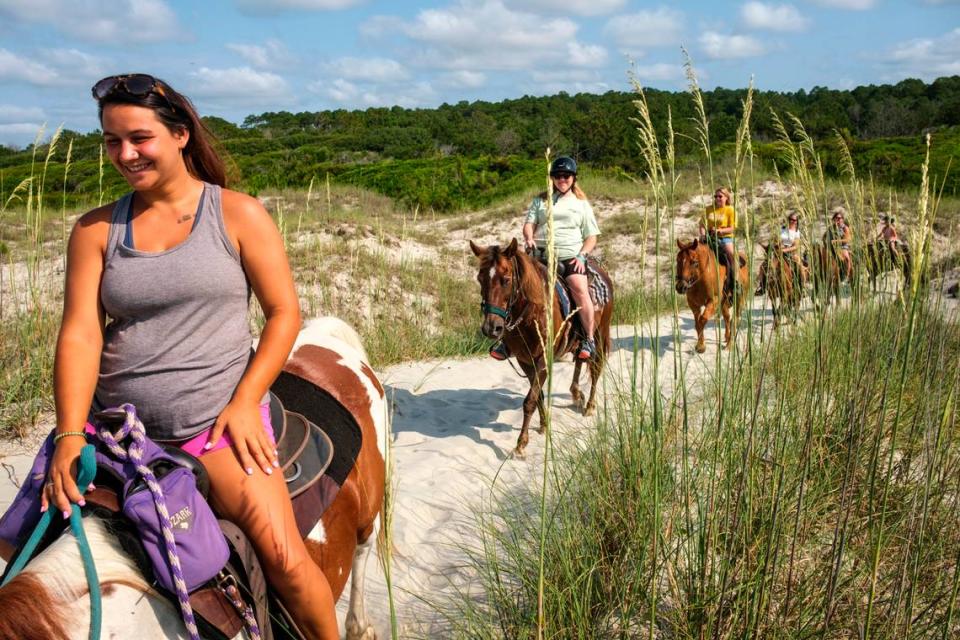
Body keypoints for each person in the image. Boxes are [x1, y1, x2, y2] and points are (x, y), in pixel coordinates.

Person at [41, 74, 338, 639]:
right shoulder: (96, 230)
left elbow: (283, 314)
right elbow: (81, 333)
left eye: (139, 138)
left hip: (213, 428)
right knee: (19, 549)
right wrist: (69, 434)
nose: (125, 154)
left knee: (286, 561)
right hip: (120, 433)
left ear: (180, 135)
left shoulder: (238, 214)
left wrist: (247, 401)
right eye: (111, 141)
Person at [489, 155, 600, 361]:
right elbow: (529, 223)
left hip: (569, 257)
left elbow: (591, 236)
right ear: (552, 178)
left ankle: (589, 339)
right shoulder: (540, 201)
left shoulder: (581, 204)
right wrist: (529, 237)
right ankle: (507, 340)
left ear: (574, 178)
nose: (562, 179)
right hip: (539, 256)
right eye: (557, 176)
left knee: (579, 288)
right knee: (515, 288)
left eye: (566, 175)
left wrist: (582, 256)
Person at [700, 187, 739, 297]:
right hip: (709, 237)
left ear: (726, 198)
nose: (717, 198)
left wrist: (719, 231)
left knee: (731, 255)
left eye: (720, 196)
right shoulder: (708, 209)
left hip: (725, 238)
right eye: (715, 196)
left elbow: (732, 228)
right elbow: (702, 225)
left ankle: (734, 282)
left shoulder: (730, 210)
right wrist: (702, 234)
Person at [755, 212, 805, 295]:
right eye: (790, 219)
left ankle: (801, 288)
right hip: (779, 252)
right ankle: (762, 287)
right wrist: (774, 245)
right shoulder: (782, 229)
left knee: (799, 267)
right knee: (763, 266)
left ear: (797, 221)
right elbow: (777, 240)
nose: (792, 221)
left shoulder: (797, 232)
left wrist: (785, 250)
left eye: (794, 220)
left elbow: (796, 246)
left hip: (792, 253)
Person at [825, 208, 853, 281]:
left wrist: (836, 241)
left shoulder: (845, 228)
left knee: (847, 258)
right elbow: (824, 237)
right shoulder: (830, 228)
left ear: (842, 219)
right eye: (836, 218)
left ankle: (846, 275)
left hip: (842, 247)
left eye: (840, 218)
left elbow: (847, 239)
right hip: (830, 247)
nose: (838, 220)